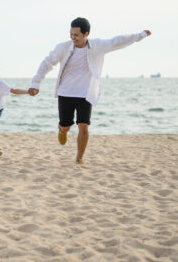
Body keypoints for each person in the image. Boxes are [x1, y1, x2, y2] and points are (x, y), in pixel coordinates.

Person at [28, 17, 151, 165]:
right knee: (67, 126)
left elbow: (118, 41)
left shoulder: (98, 46)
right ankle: (62, 129)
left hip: (86, 93)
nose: (73, 38)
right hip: (66, 92)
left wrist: (140, 35)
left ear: (86, 34)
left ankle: (79, 158)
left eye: (76, 35)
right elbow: (47, 63)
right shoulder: (63, 47)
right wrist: (36, 82)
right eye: (71, 34)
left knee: (84, 125)